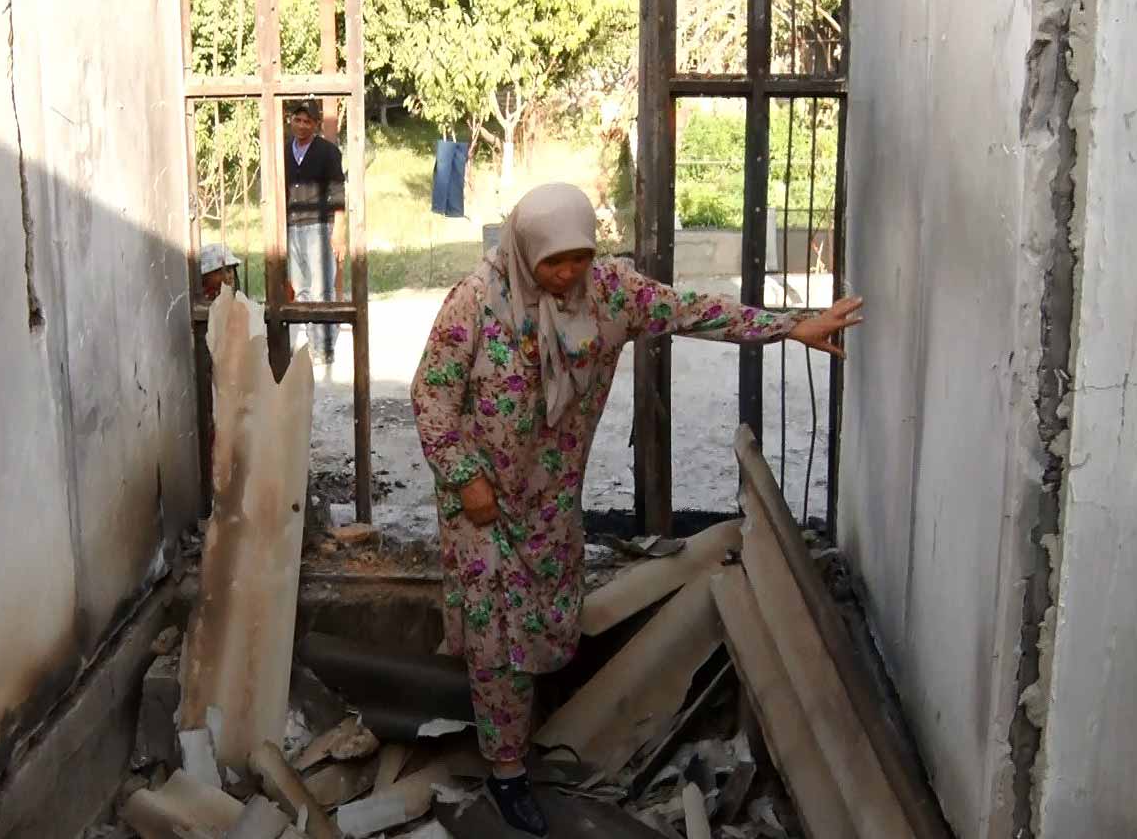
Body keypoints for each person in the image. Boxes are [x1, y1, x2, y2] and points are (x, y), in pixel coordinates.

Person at [410, 183, 864, 835]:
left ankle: (524, 736)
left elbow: (691, 312)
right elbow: (431, 397)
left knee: (541, 629)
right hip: (482, 506)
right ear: (524, 248)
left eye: (579, 257)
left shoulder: (609, 294)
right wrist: (463, 478)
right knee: (498, 642)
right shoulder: (476, 304)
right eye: (554, 260)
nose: (568, 273)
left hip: (549, 506)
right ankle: (506, 774)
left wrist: (790, 327)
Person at [284, 102, 347, 370]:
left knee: (323, 288)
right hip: (292, 225)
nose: (301, 125)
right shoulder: (285, 151)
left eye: (307, 121)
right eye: (297, 120)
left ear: (316, 124)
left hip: (319, 225)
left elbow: (337, 192)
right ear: (291, 121)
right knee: (301, 289)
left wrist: (339, 232)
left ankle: (324, 348)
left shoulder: (327, 152)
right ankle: (311, 344)